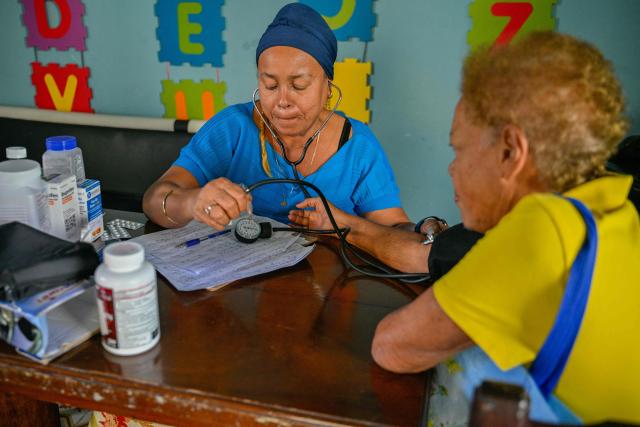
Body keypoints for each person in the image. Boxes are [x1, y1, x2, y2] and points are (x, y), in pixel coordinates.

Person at [293, 31, 640, 423]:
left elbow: (393, 347)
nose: (451, 168)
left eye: (459, 149)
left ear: (511, 151)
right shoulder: (614, 204)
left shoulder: (542, 228)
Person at [143, 2, 410, 230]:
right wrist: (192, 202)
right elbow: (154, 199)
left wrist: (346, 223)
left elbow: (395, 230)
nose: (282, 102)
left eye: (299, 85)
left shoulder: (358, 148)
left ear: (328, 86)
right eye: (270, 85)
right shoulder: (232, 129)